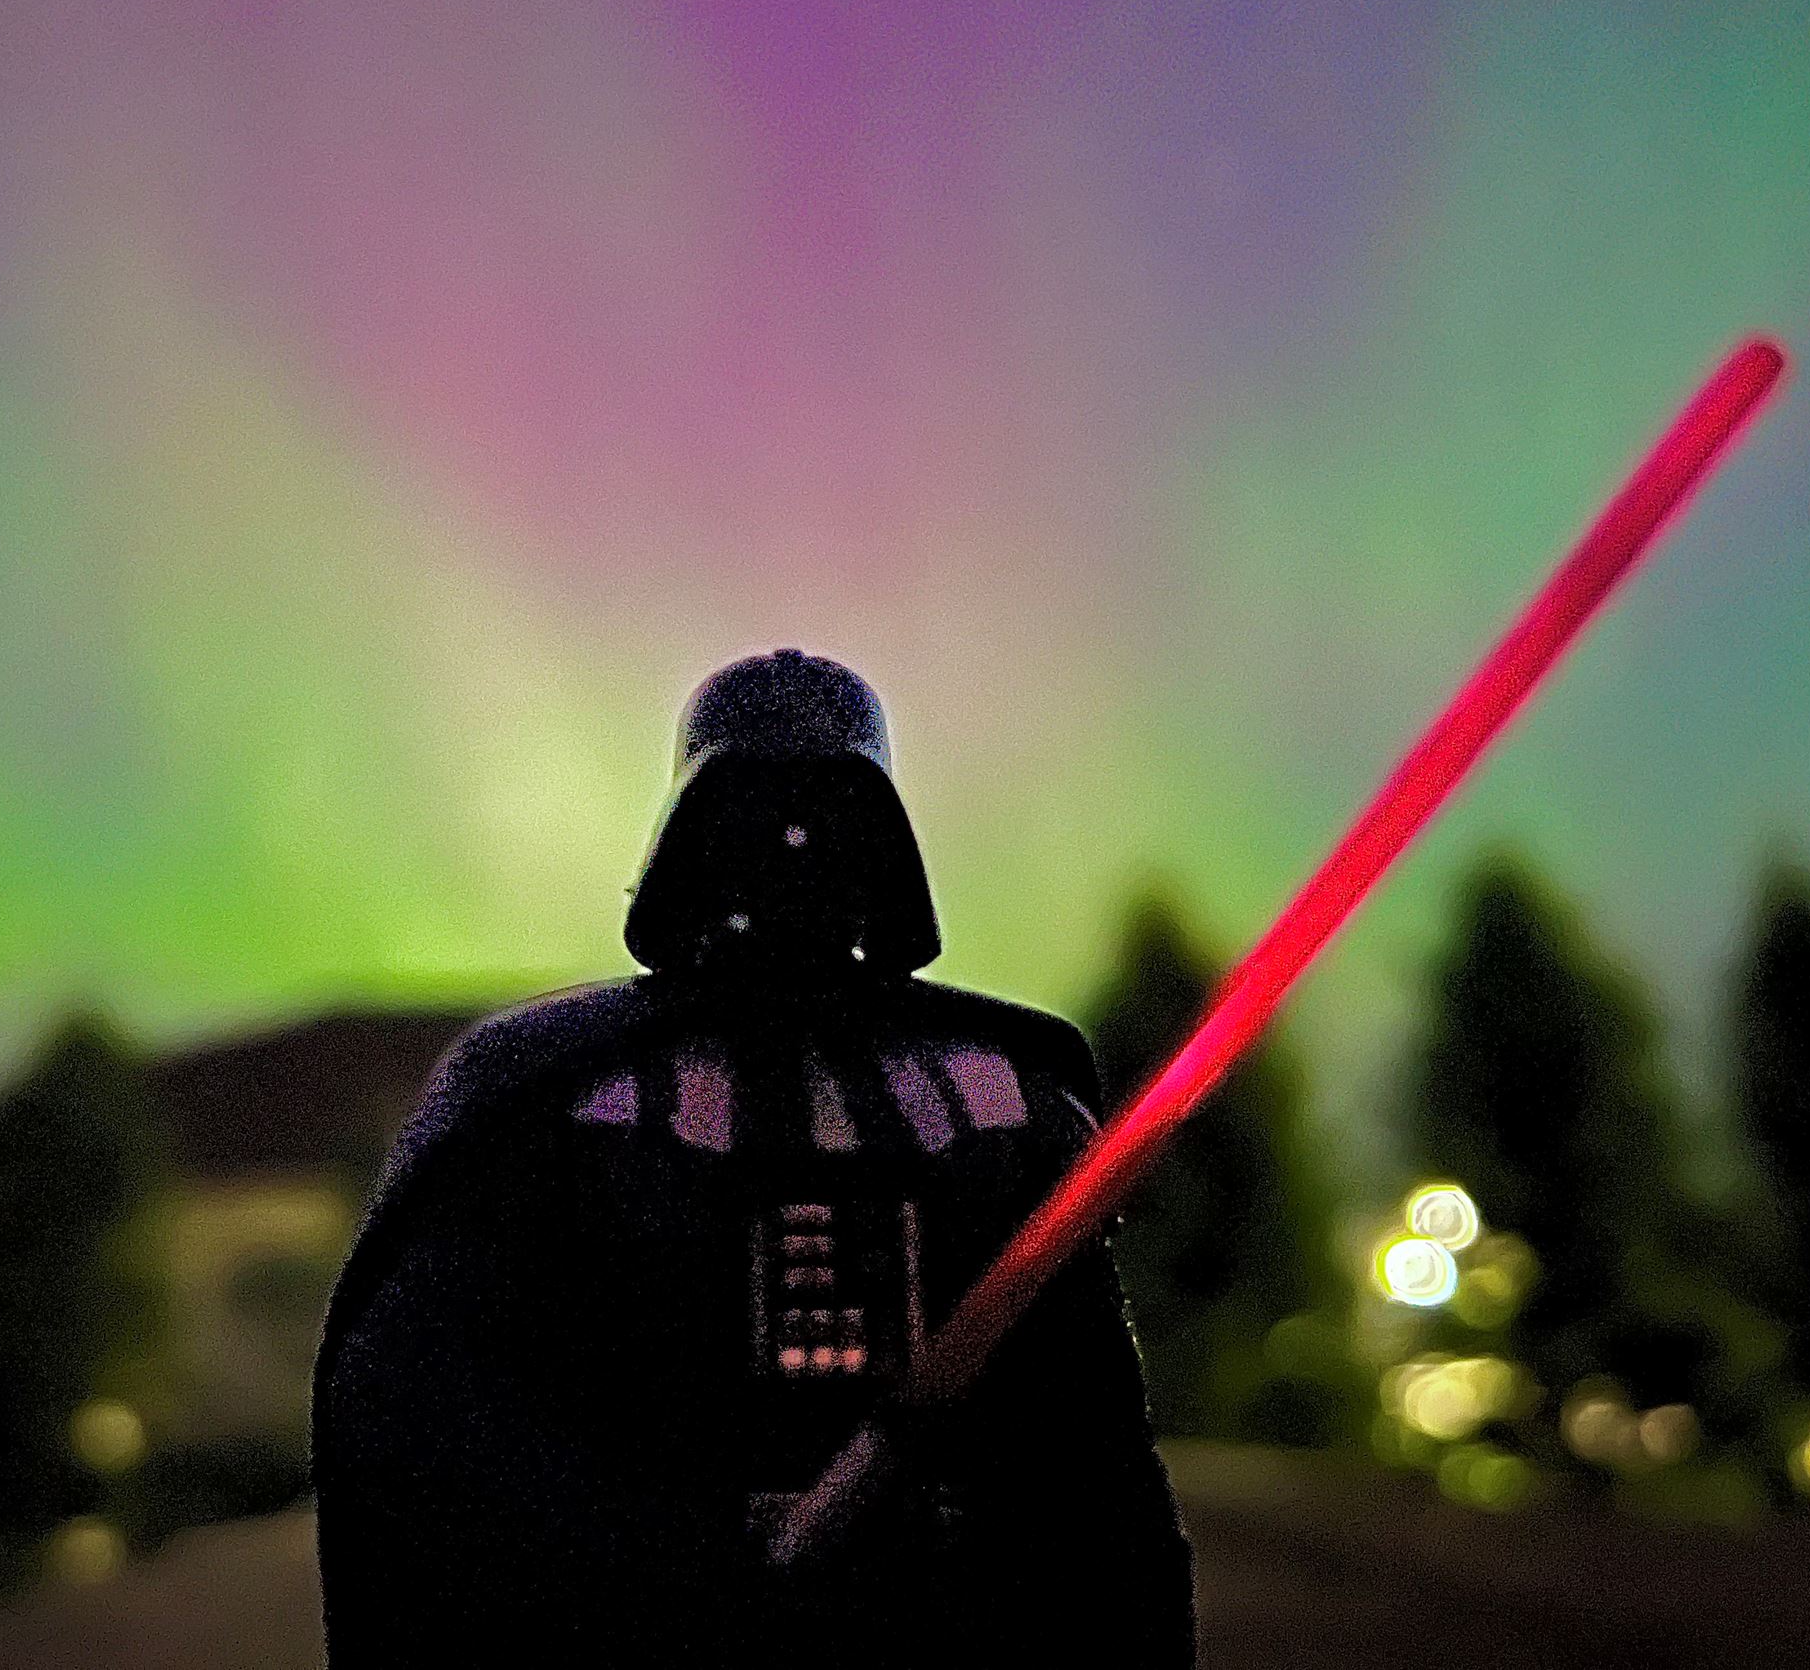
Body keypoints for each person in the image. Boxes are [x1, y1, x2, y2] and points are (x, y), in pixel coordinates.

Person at [312, 650, 1195, 1664]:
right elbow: (416, 1409)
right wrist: (645, 1563)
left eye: (825, 820)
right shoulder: (540, 1092)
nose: (791, 855)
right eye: (756, 821)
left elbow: (1088, 1465)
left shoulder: (1000, 1099)